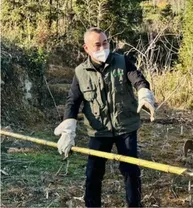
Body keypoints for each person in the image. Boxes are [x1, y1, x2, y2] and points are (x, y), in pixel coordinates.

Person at [54, 27, 155, 207]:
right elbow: (73, 101)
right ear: (86, 48)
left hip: (126, 127)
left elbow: (138, 79)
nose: (103, 48)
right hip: (99, 131)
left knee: (131, 171)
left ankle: (135, 205)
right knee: (93, 173)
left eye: (105, 43)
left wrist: (144, 94)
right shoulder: (80, 72)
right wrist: (68, 127)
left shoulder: (122, 62)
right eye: (97, 45)